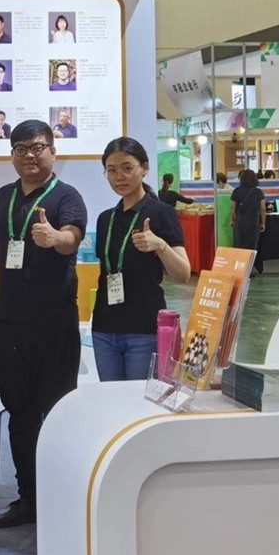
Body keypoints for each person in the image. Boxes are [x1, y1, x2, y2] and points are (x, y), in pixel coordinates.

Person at [0, 119, 87, 528]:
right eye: (21, 148)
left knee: (57, 413)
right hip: (9, 322)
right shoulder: (2, 196)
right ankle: (28, 498)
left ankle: (62, 497)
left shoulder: (66, 195)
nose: (30, 155)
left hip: (54, 323)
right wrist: (14, 275)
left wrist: (54, 239)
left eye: (38, 147)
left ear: (52, 152)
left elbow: (72, 236)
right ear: (12, 155)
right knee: (20, 413)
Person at [91, 138, 190, 381]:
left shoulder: (161, 213)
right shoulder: (105, 219)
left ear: (145, 168)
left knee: (137, 399)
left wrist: (160, 246)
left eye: (127, 168)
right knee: (112, 399)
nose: (119, 177)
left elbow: (183, 274)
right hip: (104, 328)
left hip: (143, 329)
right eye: (111, 170)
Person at [230, 169, 267, 274]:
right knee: (252, 246)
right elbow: (263, 209)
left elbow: (232, 208)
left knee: (239, 245)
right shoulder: (258, 192)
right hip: (253, 223)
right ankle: (250, 269)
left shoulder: (236, 191)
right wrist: (263, 223)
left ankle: (240, 269)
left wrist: (232, 220)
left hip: (240, 223)